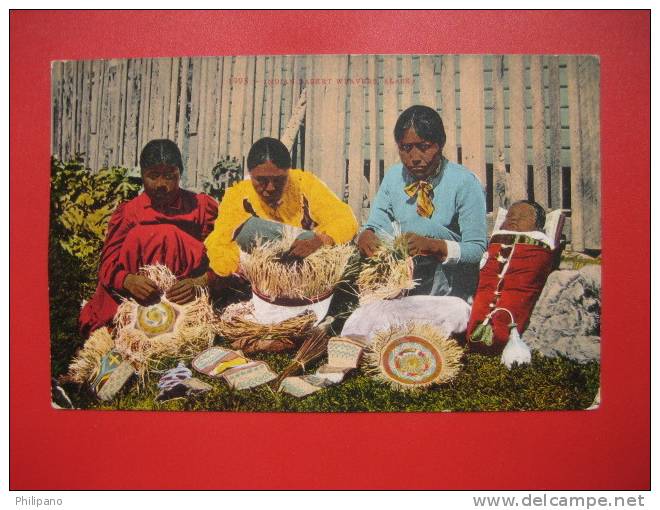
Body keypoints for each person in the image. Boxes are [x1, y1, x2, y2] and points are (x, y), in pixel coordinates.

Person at [79, 139, 218, 337]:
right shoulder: (129, 213)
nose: (161, 184)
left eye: (170, 176)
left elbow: (224, 259)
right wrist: (128, 281)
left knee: (167, 234)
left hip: (185, 299)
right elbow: (107, 265)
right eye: (153, 176)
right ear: (142, 175)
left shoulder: (201, 208)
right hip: (136, 299)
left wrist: (202, 281)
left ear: (180, 174)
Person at [357, 105, 487, 300]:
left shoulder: (464, 182)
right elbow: (376, 225)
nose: (415, 158)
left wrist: (434, 246)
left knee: (421, 226)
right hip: (398, 286)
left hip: (449, 290)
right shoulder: (394, 177)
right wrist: (367, 235)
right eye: (405, 148)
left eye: (424, 147)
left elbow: (476, 249)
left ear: (440, 143)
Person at [204, 137, 358, 278]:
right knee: (248, 229)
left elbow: (345, 219)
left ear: (288, 173)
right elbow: (219, 243)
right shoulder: (238, 196)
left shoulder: (304, 184)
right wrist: (245, 265)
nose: (270, 188)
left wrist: (320, 240)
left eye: (278, 180)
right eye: (262, 180)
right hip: (262, 273)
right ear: (250, 175)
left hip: (308, 261)